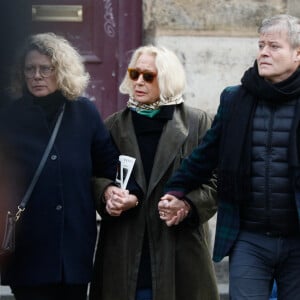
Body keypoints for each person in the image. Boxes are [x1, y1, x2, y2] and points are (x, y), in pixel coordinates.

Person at [162, 14, 300, 299]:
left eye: (274, 46)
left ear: (297, 53)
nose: (263, 52)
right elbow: (207, 153)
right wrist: (177, 189)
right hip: (249, 237)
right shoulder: (235, 98)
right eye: (261, 45)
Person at [0, 32, 137, 300]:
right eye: (30, 69)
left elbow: (108, 164)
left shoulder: (84, 113)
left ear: (60, 71)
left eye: (45, 69)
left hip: (73, 249)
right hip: (27, 248)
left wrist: (121, 192)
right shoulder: (10, 118)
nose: (36, 76)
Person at [89, 45, 219, 300]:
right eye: (134, 73)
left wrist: (188, 204)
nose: (138, 81)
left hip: (180, 250)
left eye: (148, 76)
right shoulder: (114, 125)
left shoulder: (197, 123)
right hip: (125, 248)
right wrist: (107, 193)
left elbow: (218, 180)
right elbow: (95, 175)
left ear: (167, 79)